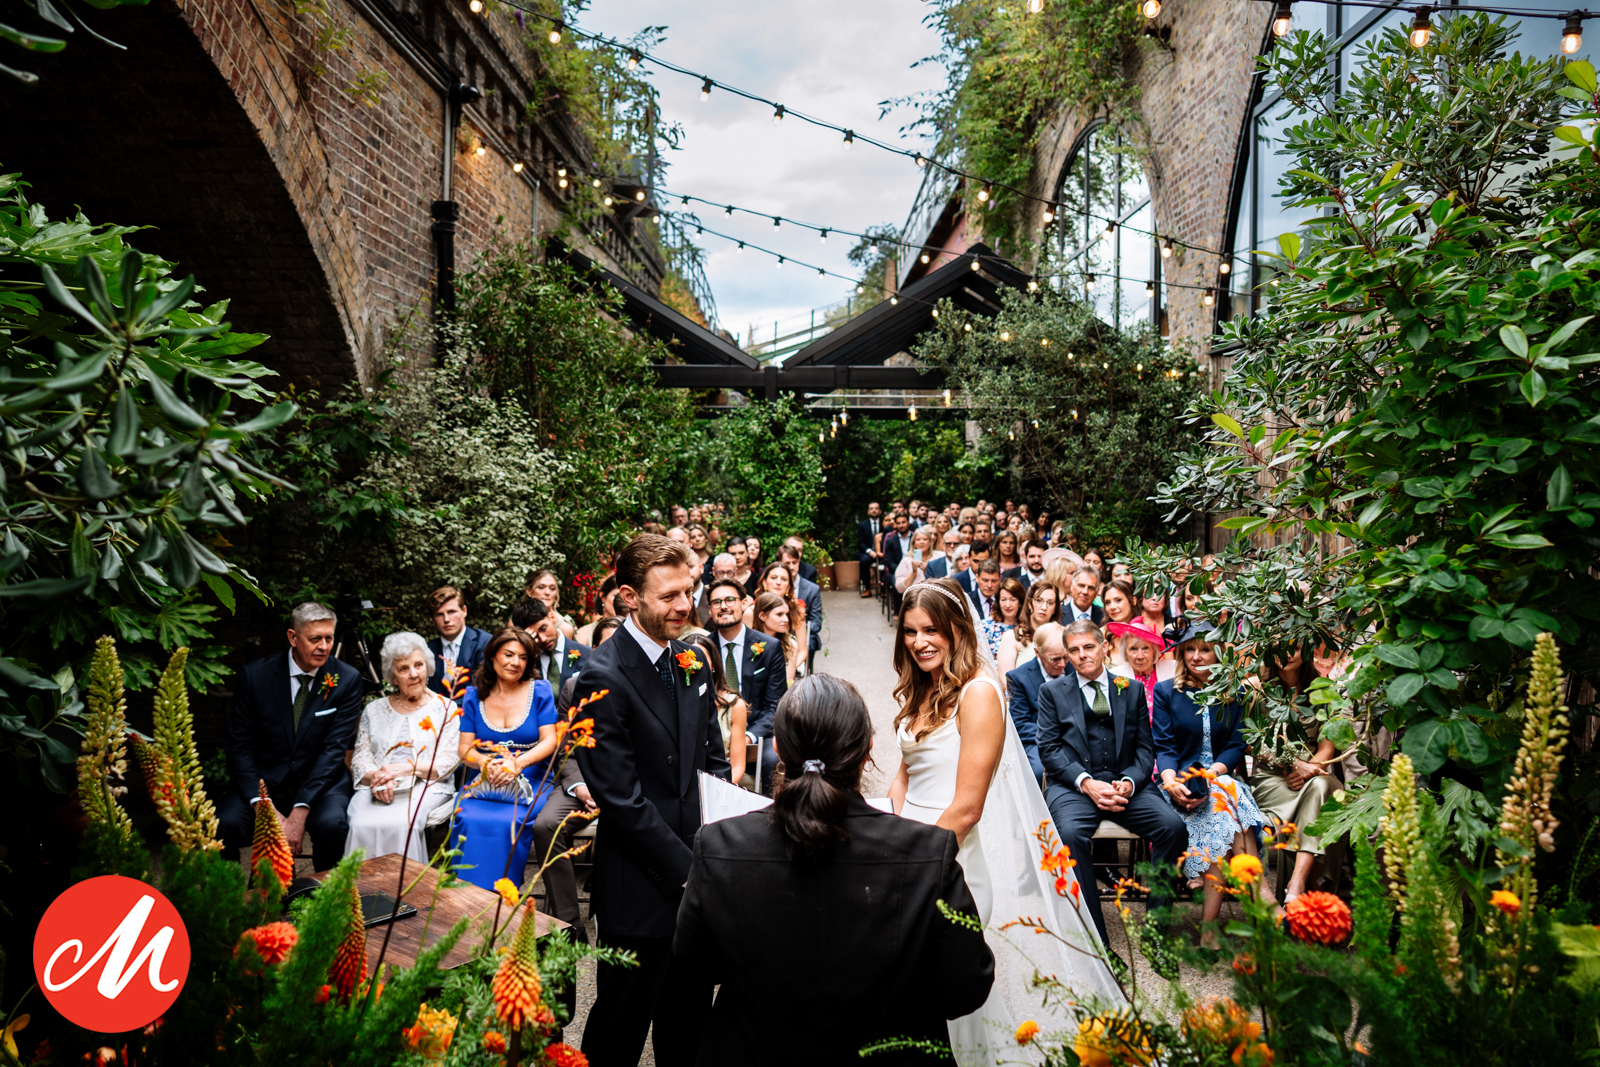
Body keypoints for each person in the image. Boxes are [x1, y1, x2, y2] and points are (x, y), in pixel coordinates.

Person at [676, 675, 996, 1066]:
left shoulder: (719, 845)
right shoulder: (929, 852)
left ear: (778, 748)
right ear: (867, 750)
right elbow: (965, 988)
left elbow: (693, 967)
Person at [889, 582, 1121, 1065]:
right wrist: (889, 828)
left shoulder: (978, 692)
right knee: (927, 1001)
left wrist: (914, 862)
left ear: (957, 629)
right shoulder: (926, 684)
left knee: (954, 1001)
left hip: (949, 860)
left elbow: (968, 808)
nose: (919, 642)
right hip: (911, 847)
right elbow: (905, 774)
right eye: (910, 631)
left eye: (931, 630)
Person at [572, 534, 728, 1067]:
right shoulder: (600, 677)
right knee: (618, 1029)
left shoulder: (692, 659)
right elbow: (621, 800)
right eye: (669, 596)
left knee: (689, 1027)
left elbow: (713, 763)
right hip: (639, 887)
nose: (685, 605)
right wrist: (690, 872)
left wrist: (717, 846)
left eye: (688, 591)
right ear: (629, 597)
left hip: (697, 879)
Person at [1036, 619, 1188, 947]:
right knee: (1069, 836)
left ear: (1104, 647)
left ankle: (1155, 931)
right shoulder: (1052, 692)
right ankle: (1096, 940)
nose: (1082, 655)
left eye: (1088, 647)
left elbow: (1145, 749)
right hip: (1074, 788)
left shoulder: (1130, 689)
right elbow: (1048, 749)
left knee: (1173, 827)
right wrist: (1086, 782)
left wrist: (1130, 782)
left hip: (1125, 785)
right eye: (1074, 650)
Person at [220, 602, 364, 873]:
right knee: (223, 824)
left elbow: (334, 750)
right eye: (315, 639)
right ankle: (230, 896)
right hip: (264, 781)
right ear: (293, 637)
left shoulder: (346, 679)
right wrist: (263, 804)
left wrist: (301, 808)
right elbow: (238, 747)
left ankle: (326, 895)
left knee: (332, 825)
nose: (324, 646)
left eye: (329, 638)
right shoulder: (256, 676)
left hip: (321, 783)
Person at [1154, 621, 1272, 937]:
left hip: (1219, 780)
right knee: (1227, 806)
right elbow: (1164, 747)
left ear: (1219, 652)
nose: (1196, 656)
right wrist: (1171, 781)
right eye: (1189, 649)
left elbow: (1236, 744)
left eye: (1205, 649)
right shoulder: (1166, 691)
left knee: (1222, 802)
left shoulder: (1237, 693)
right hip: (1179, 786)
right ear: (1181, 653)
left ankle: (1209, 931)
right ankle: (1263, 899)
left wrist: (1212, 773)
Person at [449, 628, 559, 892]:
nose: (515, 662)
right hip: (485, 781)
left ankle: (502, 896)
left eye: (523, 657)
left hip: (532, 778)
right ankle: (464, 897)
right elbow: (464, 749)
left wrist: (518, 764)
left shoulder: (540, 690)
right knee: (466, 816)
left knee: (508, 822)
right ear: (492, 656)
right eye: (508, 654)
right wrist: (485, 764)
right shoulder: (473, 695)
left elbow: (550, 740)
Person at [345, 632, 461, 863]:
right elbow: (360, 758)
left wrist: (405, 769)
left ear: (428, 667)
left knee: (402, 822)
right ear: (393, 676)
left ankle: (405, 885)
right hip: (377, 786)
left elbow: (448, 762)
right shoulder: (374, 710)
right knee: (359, 822)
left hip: (427, 785)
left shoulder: (446, 708)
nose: (414, 674)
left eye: (418, 665)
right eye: (404, 669)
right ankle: (363, 885)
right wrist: (379, 779)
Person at [1247, 647, 1341, 902]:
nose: (1287, 653)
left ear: (1307, 650)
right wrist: (1291, 764)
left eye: (1296, 647)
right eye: (1280, 647)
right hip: (1271, 780)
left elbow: (1327, 748)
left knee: (1322, 787)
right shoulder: (1256, 688)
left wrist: (1307, 770)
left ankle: (1297, 881)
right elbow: (1248, 742)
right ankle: (1308, 888)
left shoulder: (1323, 690)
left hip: (1313, 773)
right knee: (1320, 794)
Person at [706, 576, 786, 788]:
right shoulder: (703, 649)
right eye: (716, 602)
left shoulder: (769, 647)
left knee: (773, 759)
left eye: (730, 600)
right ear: (710, 610)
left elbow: (775, 706)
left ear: (744, 603)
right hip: (714, 730)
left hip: (757, 730)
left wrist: (748, 736)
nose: (723, 606)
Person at [1004, 621, 1068, 787]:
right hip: (1037, 741)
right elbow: (1020, 724)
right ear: (1038, 652)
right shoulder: (1019, 677)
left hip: (1074, 738)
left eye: (1066, 656)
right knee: (1039, 771)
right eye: (1055, 659)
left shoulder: (1074, 668)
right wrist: (1054, 735)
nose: (1062, 664)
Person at [683, 631, 748, 785]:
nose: (694, 666)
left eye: (701, 660)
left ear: (713, 665)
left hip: (723, 783)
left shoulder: (735, 705)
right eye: (689, 660)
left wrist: (719, 791)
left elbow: (737, 766)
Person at [426, 586, 491, 696]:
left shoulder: (484, 642)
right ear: (432, 618)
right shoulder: (428, 650)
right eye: (439, 614)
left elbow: (483, 687)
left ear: (464, 611)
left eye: (451, 612)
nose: (446, 619)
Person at [522, 596, 591, 692]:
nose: (543, 639)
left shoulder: (587, 654)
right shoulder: (525, 662)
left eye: (544, 629)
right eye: (535, 635)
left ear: (552, 618)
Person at [998, 579, 1059, 676]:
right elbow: (1005, 678)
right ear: (1030, 604)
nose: (1044, 607)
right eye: (1039, 600)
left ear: (1055, 608)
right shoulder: (1011, 637)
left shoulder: (1061, 636)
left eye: (1050, 603)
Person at [779, 544, 824, 670]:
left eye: (795, 562)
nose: (792, 567)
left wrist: (797, 628)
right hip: (777, 632)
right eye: (787, 563)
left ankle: (804, 672)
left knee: (810, 643)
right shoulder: (775, 586)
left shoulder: (812, 589)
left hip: (802, 632)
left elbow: (816, 623)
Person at [754, 590, 805, 685]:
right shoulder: (749, 641)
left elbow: (786, 683)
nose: (786, 619)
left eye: (786, 614)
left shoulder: (790, 645)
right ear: (762, 616)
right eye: (779, 614)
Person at [978, 576, 1024, 661]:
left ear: (1020, 602)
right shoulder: (986, 627)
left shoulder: (1026, 628)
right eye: (1003, 600)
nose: (1007, 605)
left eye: (1012, 600)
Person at [525, 568, 576, 639]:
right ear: (529, 591)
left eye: (552, 588)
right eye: (541, 587)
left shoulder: (564, 628)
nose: (547, 592)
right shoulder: (516, 620)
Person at [894, 526, 938, 594]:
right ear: (913, 543)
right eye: (918, 540)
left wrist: (928, 570)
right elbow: (899, 588)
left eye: (925, 539)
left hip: (934, 595)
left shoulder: (938, 556)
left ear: (930, 542)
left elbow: (945, 579)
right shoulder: (906, 560)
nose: (921, 542)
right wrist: (914, 572)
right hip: (914, 596)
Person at [858, 501, 884, 599]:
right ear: (868, 511)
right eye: (871, 508)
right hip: (869, 553)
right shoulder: (863, 525)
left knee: (887, 561)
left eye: (876, 508)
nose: (874, 510)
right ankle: (867, 588)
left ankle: (883, 589)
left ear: (880, 511)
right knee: (863, 561)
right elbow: (860, 542)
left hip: (882, 552)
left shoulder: (884, 523)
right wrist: (869, 551)